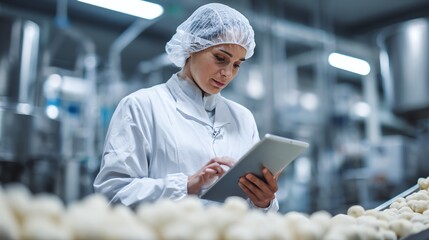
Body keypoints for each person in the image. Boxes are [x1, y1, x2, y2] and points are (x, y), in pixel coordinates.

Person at [93, 3, 279, 212]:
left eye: (237, 64)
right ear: (192, 47)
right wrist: (185, 185)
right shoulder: (141, 106)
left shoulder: (243, 118)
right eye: (220, 58)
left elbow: (256, 215)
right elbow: (112, 194)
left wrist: (263, 201)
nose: (228, 73)